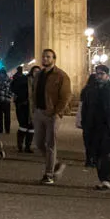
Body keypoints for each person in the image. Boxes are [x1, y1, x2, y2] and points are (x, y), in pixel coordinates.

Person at [31, 48, 72, 185]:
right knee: (39, 143)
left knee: (50, 144)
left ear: (54, 59)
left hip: (52, 114)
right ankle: (56, 164)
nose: (45, 59)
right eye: (44, 56)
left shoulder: (61, 75)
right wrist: (34, 110)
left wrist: (56, 112)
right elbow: (34, 93)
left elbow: (66, 96)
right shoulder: (39, 75)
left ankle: (49, 175)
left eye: (48, 57)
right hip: (39, 112)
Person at [80, 64, 110, 190]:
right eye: (97, 73)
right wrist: (84, 122)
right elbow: (85, 107)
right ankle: (102, 179)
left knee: (105, 152)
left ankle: (106, 179)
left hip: (107, 126)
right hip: (92, 125)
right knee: (96, 152)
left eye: (101, 74)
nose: (98, 76)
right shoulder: (90, 90)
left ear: (107, 75)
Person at [11, 64, 34, 153]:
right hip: (24, 106)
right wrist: (21, 99)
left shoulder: (39, 82)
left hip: (34, 108)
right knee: (23, 126)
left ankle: (28, 146)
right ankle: (20, 146)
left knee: (32, 127)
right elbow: (13, 88)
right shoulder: (23, 80)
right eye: (35, 71)